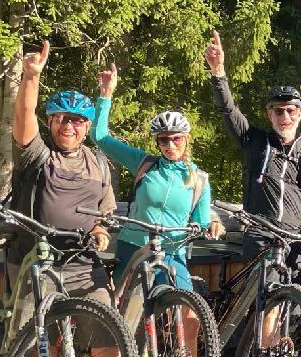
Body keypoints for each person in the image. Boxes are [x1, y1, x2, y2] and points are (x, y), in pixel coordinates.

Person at [9, 40, 122, 357]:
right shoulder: (38, 155)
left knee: (106, 325)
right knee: (45, 330)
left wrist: (101, 230)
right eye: (61, 119)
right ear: (51, 122)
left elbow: (104, 210)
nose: (69, 126)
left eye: (77, 120)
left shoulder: (98, 162)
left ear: (87, 126)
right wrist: (31, 76)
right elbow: (22, 119)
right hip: (37, 256)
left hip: (82, 259)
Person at [204, 31, 301, 261]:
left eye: (290, 111)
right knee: (267, 283)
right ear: (270, 114)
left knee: (296, 284)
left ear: (299, 114)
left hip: (295, 238)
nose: (285, 116)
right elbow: (228, 111)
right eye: (278, 111)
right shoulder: (254, 140)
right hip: (260, 234)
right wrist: (218, 73)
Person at [92, 61, 225, 293]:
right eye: (163, 139)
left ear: (186, 139)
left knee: (187, 305)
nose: (170, 145)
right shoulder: (144, 163)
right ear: (157, 142)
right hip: (134, 247)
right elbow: (100, 136)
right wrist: (106, 94)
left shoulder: (199, 179)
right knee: (126, 306)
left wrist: (214, 225)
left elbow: (202, 221)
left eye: (176, 138)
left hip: (172, 251)